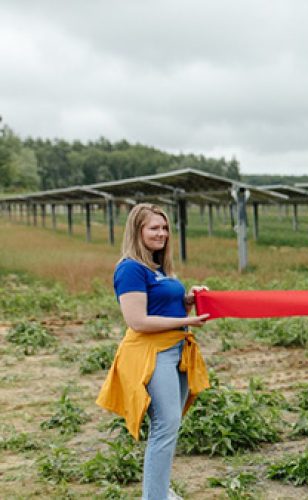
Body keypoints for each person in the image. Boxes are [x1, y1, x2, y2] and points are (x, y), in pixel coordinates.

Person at [96, 203, 210, 500]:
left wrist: (188, 299)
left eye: (165, 228)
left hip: (176, 350)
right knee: (165, 424)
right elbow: (138, 320)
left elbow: (160, 306)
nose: (162, 234)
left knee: (171, 423)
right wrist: (188, 320)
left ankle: (159, 490)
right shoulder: (130, 269)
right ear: (138, 231)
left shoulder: (157, 269)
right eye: (154, 228)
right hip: (152, 353)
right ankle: (155, 497)